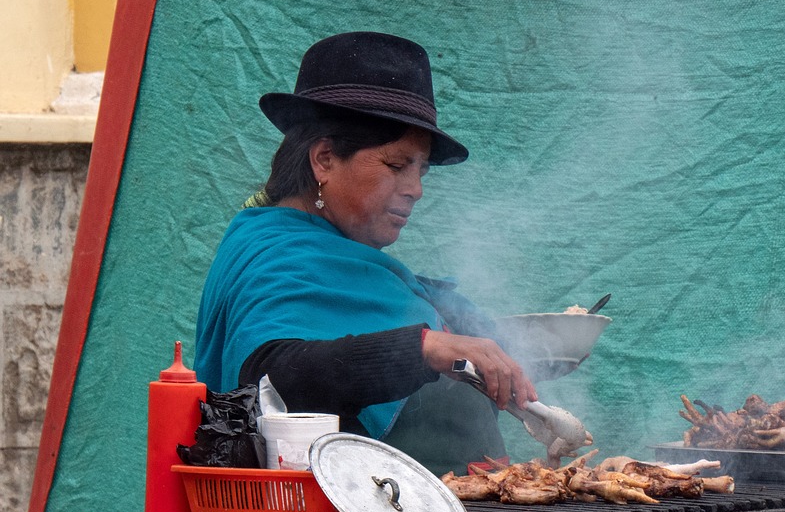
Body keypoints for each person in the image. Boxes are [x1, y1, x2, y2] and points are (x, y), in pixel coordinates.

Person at [194, 31, 537, 475]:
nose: (414, 189)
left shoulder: (355, 265)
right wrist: (423, 349)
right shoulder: (274, 254)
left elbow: (436, 339)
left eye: (421, 170)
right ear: (324, 159)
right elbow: (267, 377)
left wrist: (535, 350)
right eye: (396, 165)